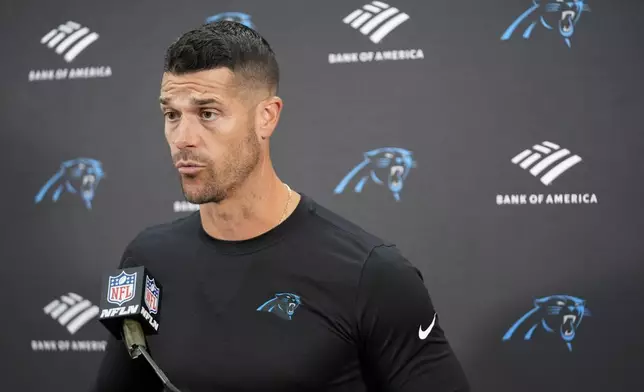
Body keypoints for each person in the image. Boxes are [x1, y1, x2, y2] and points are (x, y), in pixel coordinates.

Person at [92, 21, 470, 392]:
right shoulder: (148, 258)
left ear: (266, 117)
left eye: (207, 113)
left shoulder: (372, 275)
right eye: (171, 115)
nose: (183, 139)